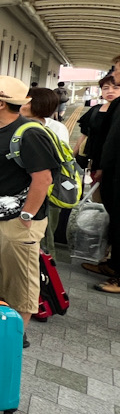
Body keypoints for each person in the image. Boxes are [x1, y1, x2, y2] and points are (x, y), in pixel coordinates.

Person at [0, 76, 59, 347]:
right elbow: (7, 167)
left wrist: (27, 215)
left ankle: (16, 335)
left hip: (19, 221)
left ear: (0, 102)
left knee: (20, 278)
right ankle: (0, 324)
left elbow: (42, 179)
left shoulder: (30, 133)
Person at [83, 55, 120, 292]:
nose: (114, 73)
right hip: (111, 169)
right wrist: (99, 165)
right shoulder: (117, 105)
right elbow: (105, 138)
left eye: (116, 70)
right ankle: (112, 265)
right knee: (114, 217)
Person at [20, 88, 70, 257]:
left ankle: (47, 272)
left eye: (26, 100)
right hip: (27, 188)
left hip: (48, 189)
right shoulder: (20, 125)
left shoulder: (56, 128)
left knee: (45, 235)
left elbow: (52, 166)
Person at [74, 73, 119, 172]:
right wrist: (72, 157)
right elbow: (84, 135)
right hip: (94, 161)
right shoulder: (95, 110)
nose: (110, 91)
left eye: (115, 88)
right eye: (105, 88)